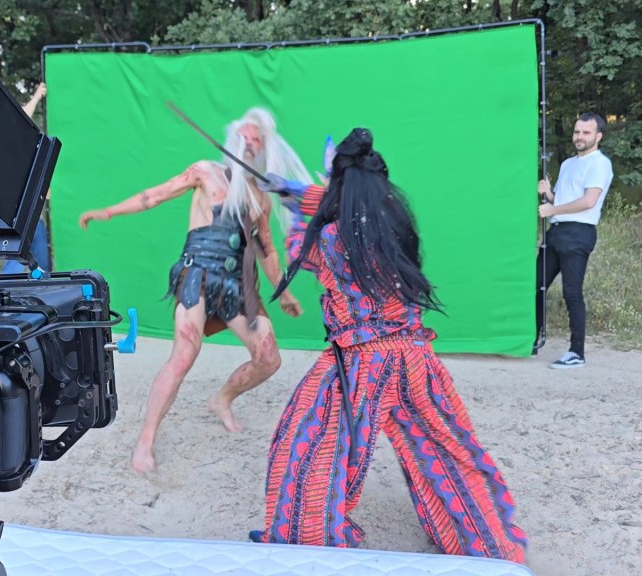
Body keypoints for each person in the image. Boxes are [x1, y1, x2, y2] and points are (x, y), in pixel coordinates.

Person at [251, 128, 528, 563]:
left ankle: (306, 541)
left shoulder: (330, 238)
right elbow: (339, 209)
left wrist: (289, 198)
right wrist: (294, 190)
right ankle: (490, 545)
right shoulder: (395, 224)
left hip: (361, 362)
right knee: (444, 448)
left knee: (309, 442)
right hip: (414, 358)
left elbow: (303, 245)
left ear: (339, 186)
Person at [79, 107, 309, 474]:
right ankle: (146, 440)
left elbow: (266, 248)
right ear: (234, 138)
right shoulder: (206, 172)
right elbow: (155, 195)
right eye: (246, 136)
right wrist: (109, 211)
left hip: (236, 283)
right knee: (185, 353)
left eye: (257, 139)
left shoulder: (260, 197)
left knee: (268, 358)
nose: (250, 143)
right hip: (197, 275)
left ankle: (222, 399)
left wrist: (283, 291)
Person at [534, 112, 613, 368]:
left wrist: (552, 209)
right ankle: (532, 337)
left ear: (598, 136)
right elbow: (563, 199)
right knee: (536, 285)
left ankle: (576, 352)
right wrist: (549, 194)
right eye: (577, 132)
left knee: (571, 292)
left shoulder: (599, 163)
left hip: (579, 233)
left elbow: (588, 201)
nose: (580, 137)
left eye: (586, 133)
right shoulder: (568, 164)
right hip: (557, 231)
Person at [4, 81, 52, 274]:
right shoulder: (5, 150)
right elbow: (21, 118)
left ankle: (44, 287)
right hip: (18, 221)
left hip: (34, 220)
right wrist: (37, 95)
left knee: (42, 267)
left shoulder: (27, 154)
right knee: (15, 265)